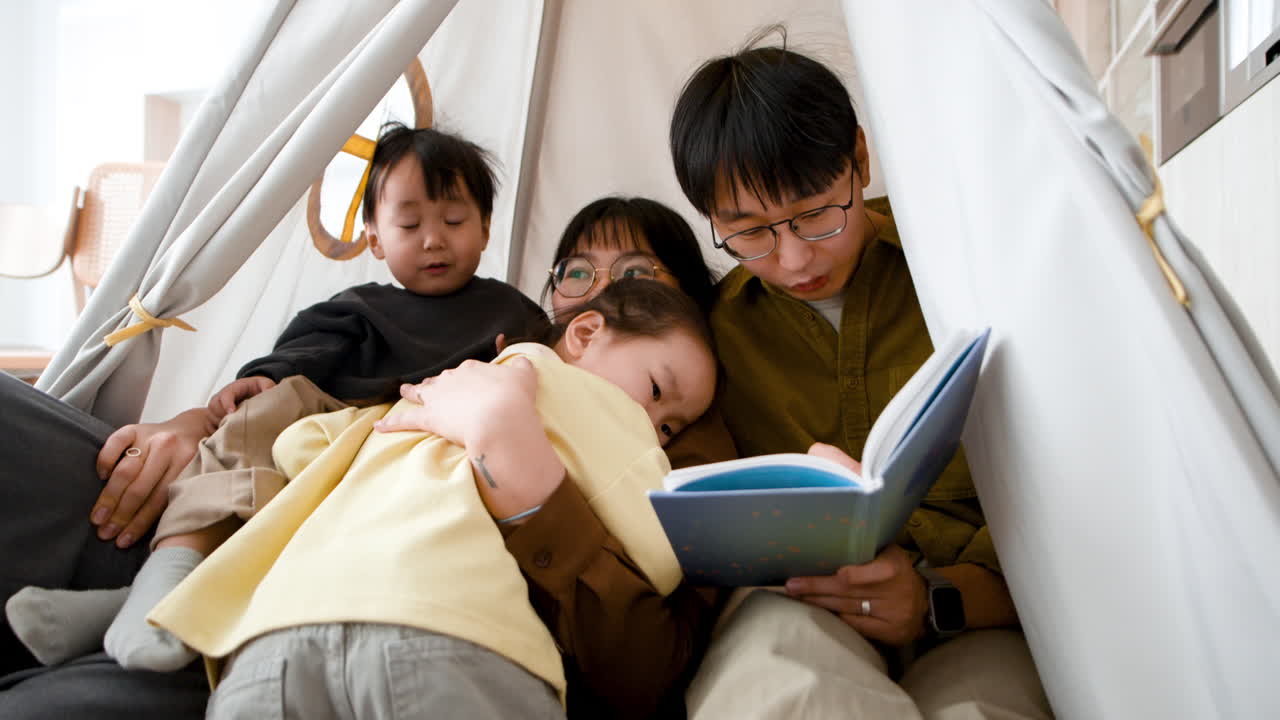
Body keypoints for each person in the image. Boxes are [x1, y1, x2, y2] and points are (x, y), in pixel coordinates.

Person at [3, 122, 542, 679]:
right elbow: (305, 352)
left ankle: (142, 607)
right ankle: (167, 573)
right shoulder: (359, 308)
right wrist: (262, 379)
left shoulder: (513, 312)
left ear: (484, 230)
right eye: (410, 223)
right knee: (262, 415)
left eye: (453, 221)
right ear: (376, 239)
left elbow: (544, 378)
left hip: (418, 445)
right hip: (332, 427)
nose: (433, 239)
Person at [666, 36, 1053, 719]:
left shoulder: (965, 268)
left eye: (816, 212)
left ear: (860, 159)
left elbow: (1078, 512)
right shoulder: (717, 337)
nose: (792, 258)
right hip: (801, 604)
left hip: (981, 609)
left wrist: (937, 599)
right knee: (774, 690)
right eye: (749, 233)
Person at [146, 279, 717, 719]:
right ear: (585, 333)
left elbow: (304, 447)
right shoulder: (612, 416)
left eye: (670, 428)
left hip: (280, 626)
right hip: (451, 631)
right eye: (657, 393)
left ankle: (151, 597)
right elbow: (661, 546)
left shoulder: (442, 384)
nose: (653, 424)